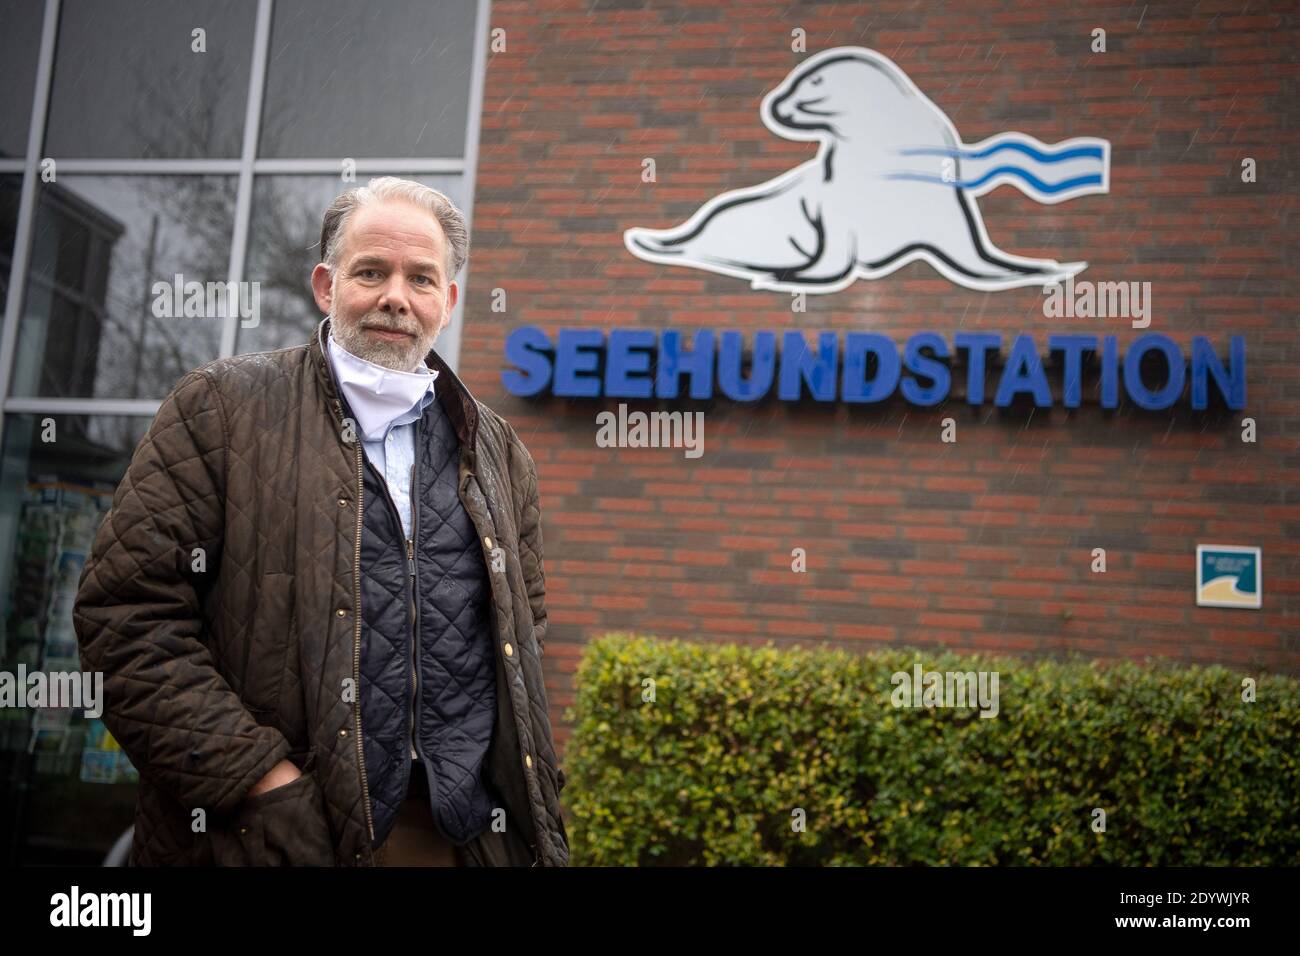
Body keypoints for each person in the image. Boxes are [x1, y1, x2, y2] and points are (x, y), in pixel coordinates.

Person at [73, 177, 569, 866]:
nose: (396, 295)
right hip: (271, 835)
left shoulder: (498, 452)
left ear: (448, 302)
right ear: (325, 286)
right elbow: (124, 619)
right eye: (371, 271)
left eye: (421, 278)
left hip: (461, 839)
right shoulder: (219, 409)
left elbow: (523, 627)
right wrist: (260, 784)